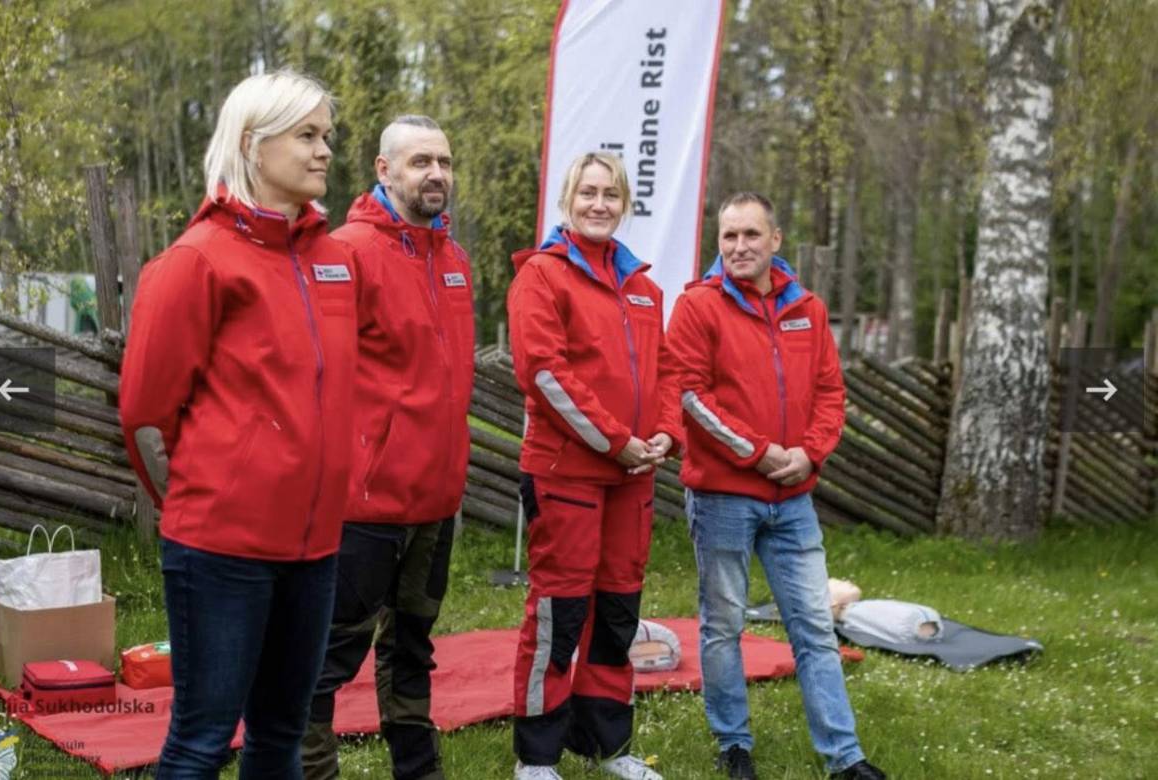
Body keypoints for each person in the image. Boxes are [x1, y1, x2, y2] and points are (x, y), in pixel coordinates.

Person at [119, 69, 358, 779]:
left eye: (327, 136)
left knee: (282, 735)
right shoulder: (196, 261)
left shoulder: (333, 259)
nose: (324, 151)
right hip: (222, 549)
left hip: (315, 548)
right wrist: (203, 508)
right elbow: (145, 416)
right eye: (307, 135)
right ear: (254, 144)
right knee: (201, 740)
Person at [665, 192, 885, 780]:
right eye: (729, 236)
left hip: (793, 499)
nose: (739, 246)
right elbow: (690, 397)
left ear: (776, 240)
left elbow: (830, 392)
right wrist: (759, 455)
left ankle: (845, 757)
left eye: (751, 235)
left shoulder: (807, 308)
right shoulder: (697, 306)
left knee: (814, 626)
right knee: (723, 627)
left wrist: (810, 453)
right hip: (723, 497)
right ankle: (733, 745)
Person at [301, 115, 474, 780]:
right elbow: (315, 373)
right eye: (420, 161)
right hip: (365, 504)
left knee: (412, 648)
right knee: (328, 658)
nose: (436, 174)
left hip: (437, 500)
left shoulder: (454, 261)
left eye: (444, 162)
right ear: (384, 169)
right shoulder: (345, 252)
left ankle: (418, 771)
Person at [506, 152, 681, 780]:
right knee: (560, 613)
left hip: (633, 478)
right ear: (568, 201)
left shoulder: (645, 289)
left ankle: (606, 745)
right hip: (567, 475)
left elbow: (668, 372)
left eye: (610, 194)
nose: (599, 204)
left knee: (617, 611)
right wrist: (615, 441)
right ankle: (536, 757)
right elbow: (545, 374)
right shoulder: (542, 276)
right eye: (588, 192)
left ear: (625, 204)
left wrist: (666, 432)